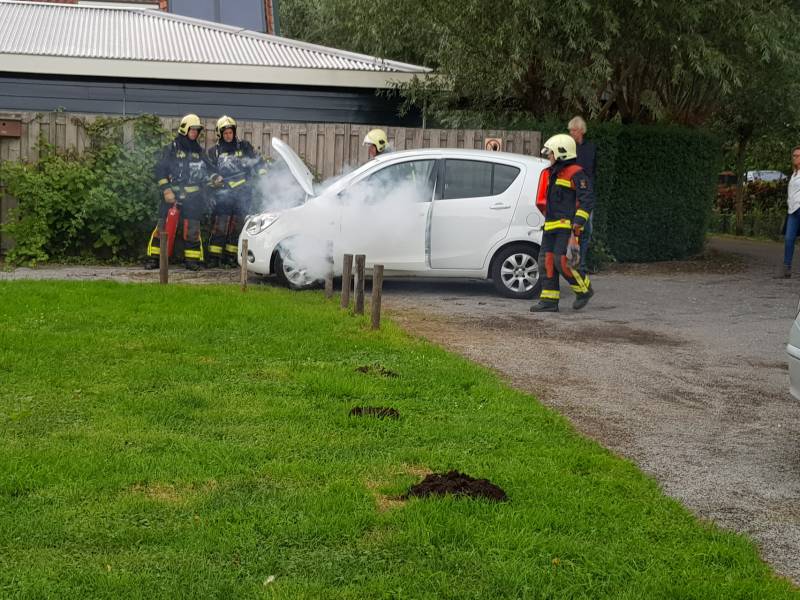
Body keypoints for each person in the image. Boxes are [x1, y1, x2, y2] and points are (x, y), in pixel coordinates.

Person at [530, 133, 595, 313]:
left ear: (561, 153)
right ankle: (549, 301)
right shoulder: (552, 173)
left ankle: (584, 290)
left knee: (563, 262)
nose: (548, 157)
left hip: (567, 228)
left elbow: (587, 201)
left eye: (551, 153)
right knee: (546, 262)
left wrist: (578, 225)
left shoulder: (576, 173)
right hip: (551, 226)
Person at [144, 114, 213, 271]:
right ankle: (155, 258)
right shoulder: (172, 149)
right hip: (171, 196)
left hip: (193, 198)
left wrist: (215, 177)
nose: (195, 133)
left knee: (192, 229)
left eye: (197, 130)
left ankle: (192, 260)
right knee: (163, 227)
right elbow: (160, 170)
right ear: (184, 129)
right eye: (192, 130)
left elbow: (209, 170)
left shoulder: (199, 151)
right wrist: (166, 190)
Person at [206, 115, 268, 266]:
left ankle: (231, 257)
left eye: (230, 132)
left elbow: (257, 162)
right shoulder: (214, 151)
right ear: (220, 134)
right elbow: (208, 172)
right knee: (221, 224)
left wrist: (264, 176)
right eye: (225, 133)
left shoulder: (244, 146)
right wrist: (215, 178)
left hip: (243, 193)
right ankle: (214, 257)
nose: (228, 135)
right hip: (223, 194)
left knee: (238, 226)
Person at [568, 116, 597, 277]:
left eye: (573, 130)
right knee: (573, 229)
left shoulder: (590, 148)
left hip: (587, 194)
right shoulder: (569, 148)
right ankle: (573, 262)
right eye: (570, 130)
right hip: (572, 194)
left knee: (587, 230)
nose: (571, 133)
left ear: (580, 130)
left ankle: (582, 264)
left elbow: (592, 172)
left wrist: (589, 191)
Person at [779, 146, 800, 278]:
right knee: (788, 238)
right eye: (794, 155)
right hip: (792, 210)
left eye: (798, 155)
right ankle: (786, 269)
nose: (795, 158)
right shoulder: (794, 174)